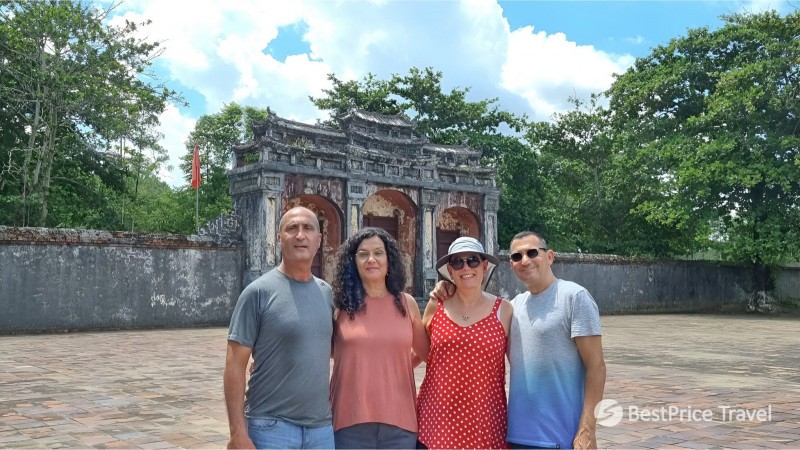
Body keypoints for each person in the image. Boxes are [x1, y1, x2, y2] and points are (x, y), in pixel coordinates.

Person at [431, 231, 606, 449]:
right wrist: (448, 288)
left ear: (550, 256)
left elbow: (596, 367)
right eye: (516, 256)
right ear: (511, 264)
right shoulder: (513, 307)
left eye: (532, 253)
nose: (525, 261)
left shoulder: (574, 297)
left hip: (561, 434)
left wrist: (588, 428)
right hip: (516, 434)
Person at [224, 206, 335, 450]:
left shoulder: (327, 294)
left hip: (321, 429)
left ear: (319, 240)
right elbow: (234, 365)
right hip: (271, 427)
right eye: (291, 228)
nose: (300, 235)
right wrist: (238, 433)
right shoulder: (258, 292)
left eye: (308, 228)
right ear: (278, 237)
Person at [328, 227, 429, 449]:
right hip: (348, 422)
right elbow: (315, 349)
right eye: (363, 254)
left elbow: (428, 354)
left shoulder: (407, 304)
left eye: (378, 253)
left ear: (389, 259)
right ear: (353, 262)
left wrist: (398, 365)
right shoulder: (339, 308)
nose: (371, 259)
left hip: (400, 422)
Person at [416, 237, 513, 450]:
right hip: (436, 423)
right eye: (458, 262)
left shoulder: (504, 310)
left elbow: (520, 366)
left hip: (485, 424)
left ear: (485, 266)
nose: (466, 267)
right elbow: (420, 352)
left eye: (473, 260)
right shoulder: (437, 304)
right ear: (450, 270)